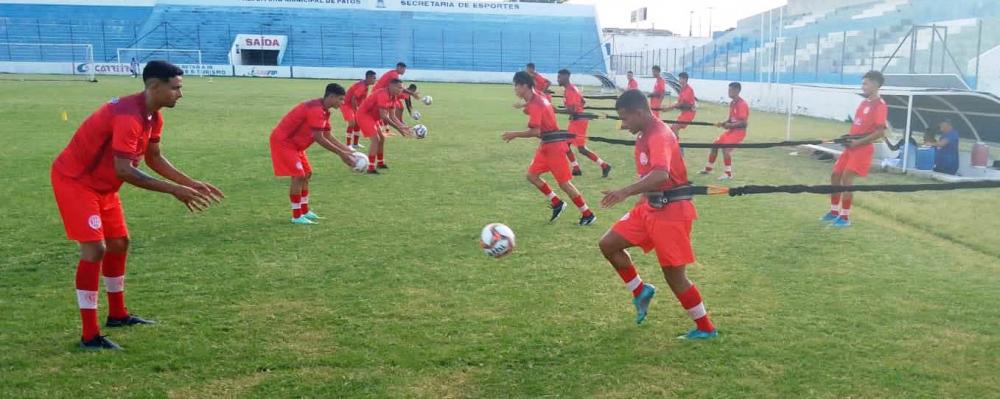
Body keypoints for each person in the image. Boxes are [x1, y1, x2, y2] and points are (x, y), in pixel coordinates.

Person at [51, 60, 224, 350]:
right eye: (175, 88)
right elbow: (125, 170)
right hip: (76, 181)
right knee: (95, 249)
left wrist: (190, 183)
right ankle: (89, 334)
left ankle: (117, 314)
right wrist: (174, 190)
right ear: (153, 86)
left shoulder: (153, 116)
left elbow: (154, 158)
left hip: (104, 187)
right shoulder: (128, 116)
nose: (180, 94)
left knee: (119, 244)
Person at [597, 89, 716, 340]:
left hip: (671, 212)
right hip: (648, 207)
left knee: (674, 276)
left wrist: (625, 191)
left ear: (639, 113)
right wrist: (639, 199)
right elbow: (650, 176)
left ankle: (705, 328)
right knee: (608, 244)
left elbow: (661, 174)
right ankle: (640, 291)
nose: (623, 124)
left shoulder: (660, 135)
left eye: (625, 118)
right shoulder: (644, 133)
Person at [503, 71, 596, 225]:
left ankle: (588, 214)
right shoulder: (538, 95)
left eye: (516, 86)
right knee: (532, 176)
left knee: (564, 184)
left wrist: (515, 134)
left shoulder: (536, 104)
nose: (515, 90)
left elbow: (536, 131)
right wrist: (524, 105)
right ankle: (557, 203)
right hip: (546, 145)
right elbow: (538, 105)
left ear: (524, 86)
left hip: (554, 147)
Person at [270, 83, 360, 225]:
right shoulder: (316, 109)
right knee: (299, 176)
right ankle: (296, 215)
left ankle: (305, 211)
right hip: (284, 142)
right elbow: (319, 138)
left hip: (296, 145)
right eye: (341, 99)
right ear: (331, 96)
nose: (343, 103)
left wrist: (348, 150)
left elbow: (327, 135)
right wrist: (341, 153)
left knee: (307, 174)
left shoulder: (324, 110)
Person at [820, 70, 888, 228]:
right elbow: (859, 126)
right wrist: (848, 137)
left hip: (862, 150)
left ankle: (845, 217)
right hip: (851, 148)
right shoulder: (864, 103)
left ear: (875, 85)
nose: (862, 86)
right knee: (835, 175)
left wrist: (857, 143)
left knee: (846, 179)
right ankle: (834, 211)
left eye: (865, 83)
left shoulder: (880, 105)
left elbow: (880, 132)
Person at [558, 69, 612, 178]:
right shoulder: (572, 88)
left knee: (576, 148)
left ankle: (603, 165)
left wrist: (555, 110)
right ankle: (577, 168)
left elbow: (573, 109)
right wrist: (576, 110)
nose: (558, 79)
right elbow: (583, 101)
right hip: (577, 120)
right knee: (566, 145)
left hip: (578, 121)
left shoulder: (570, 90)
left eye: (559, 77)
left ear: (566, 77)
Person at [357, 78, 412, 173]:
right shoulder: (383, 94)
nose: (401, 90)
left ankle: (380, 163)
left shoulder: (393, 96)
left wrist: (402, 126)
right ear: (391, 86)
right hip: (364, 115)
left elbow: (392, 116)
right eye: (399, 88)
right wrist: (399, 129)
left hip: (373, 117)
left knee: (382, 138)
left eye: (402, 88)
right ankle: (370, 168)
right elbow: (384, 117)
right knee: (376, 139)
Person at [699, 82, 749, 180]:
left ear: (737, 91)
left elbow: (744, 123)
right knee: (714, 145)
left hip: (739, 132)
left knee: (726, 149)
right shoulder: (732, 103)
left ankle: (728, 173)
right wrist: (723, 123)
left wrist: (730, 125)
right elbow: (731, 119)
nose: (729, 92)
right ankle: (708, 169)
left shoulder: (742, 104)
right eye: (728, 90)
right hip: (732, 131)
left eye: (731, 90)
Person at [342, 70, 376, 150]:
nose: (375, 80)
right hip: (346, 104)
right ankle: (348, 145)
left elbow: (361, 100)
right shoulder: (362, 86)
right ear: (368, 78)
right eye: (374, 78)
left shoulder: (365, 85)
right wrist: (357, 110)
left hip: (352, 105)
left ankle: (355, 144)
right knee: (352, 123)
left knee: (357, 123)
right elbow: (353, 98)